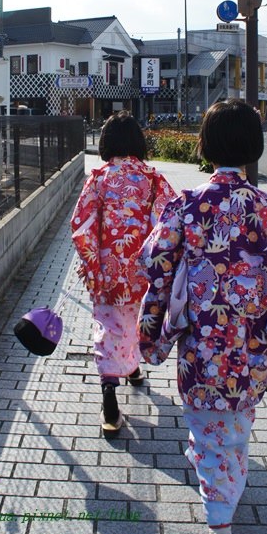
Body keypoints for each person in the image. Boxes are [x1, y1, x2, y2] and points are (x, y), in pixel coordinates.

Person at [138, 99, 267, 534]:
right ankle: (223, 474)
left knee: (210, 433)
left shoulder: (186, 204)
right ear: (255, 148)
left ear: (203, 144)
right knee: (236, 426)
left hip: (201, 349)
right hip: (254, 348)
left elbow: (152, 261)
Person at [71, 110, 176, 434]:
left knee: (110, 325)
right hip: (142, 273)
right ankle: (131, 370)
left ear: (106, 143)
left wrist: (91, 264)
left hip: (107, 271)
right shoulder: (153, 179)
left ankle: (110, 389)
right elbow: (167, 224)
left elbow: (81, 225)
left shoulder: (99, 178)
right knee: (135, 321)